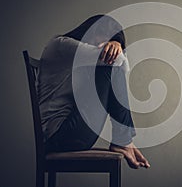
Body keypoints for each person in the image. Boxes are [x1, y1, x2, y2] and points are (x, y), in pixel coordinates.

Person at [37, 14, 150, 169]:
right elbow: (118, 63)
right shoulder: (61, 45)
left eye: (108, 41)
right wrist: (116, 45)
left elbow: (119, 65)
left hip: (69, 133)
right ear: (90, 31)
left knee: (109, 68)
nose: (104, 45)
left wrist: (117, 43)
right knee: (110, 66)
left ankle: (123, 140)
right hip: (58, 136)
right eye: (102, 38)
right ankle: (123, 140)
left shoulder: (82, 64)